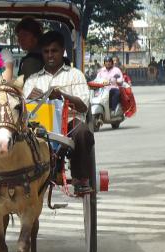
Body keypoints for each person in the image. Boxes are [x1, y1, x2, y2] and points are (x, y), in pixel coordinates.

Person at [23, 31, 94, 194]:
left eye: (54, 51)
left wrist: (62, 95)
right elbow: (23, 110)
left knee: (82, 131)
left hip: (68, 124)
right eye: (46, 51)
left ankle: (81, 178)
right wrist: (29, 98)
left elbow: (84, 106)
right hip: (38, 125)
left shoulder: (75, 75)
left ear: (62, 51)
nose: (50, 55)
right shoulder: (32, 80)